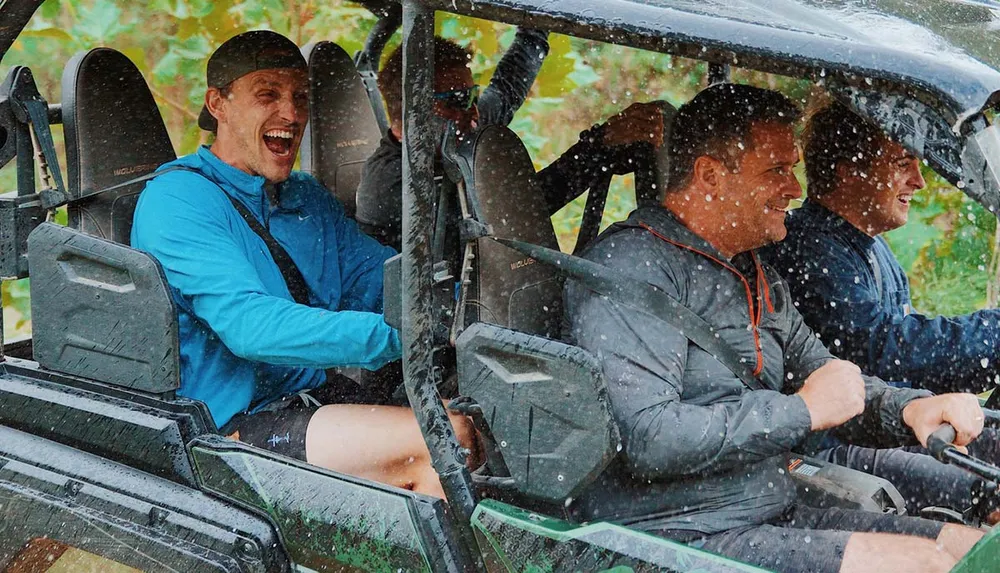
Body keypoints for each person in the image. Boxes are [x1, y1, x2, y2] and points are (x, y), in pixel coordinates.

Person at [563, 83, 986, 573]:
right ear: (710, 176)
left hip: (765, 510)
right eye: (777, 171)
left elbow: (827, 378)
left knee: (969, 549)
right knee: (921, 566)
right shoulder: (633, 268)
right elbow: (648, 438)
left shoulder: (752, 269)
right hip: (671, 534)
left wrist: (910, 407)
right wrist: (801, 412)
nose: (795, 189)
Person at [131, 30, 476, 498]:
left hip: (313, 400)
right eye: (267, 95)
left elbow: (376, 274)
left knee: (476, 416)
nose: (291, 114)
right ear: (219, 104)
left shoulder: (306, 197)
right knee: (443, 441)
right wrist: (403, 334)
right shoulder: (178, 201)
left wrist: (463, 310)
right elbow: (251, 327)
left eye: (300, 97)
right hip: (230, 431)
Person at [761, 100, 1000, 521]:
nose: (919, 181)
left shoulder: (863, 243)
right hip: (833, 450)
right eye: (902, 163)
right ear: (847, 170)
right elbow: (883, 351)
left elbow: (903, 344)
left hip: (889, 421)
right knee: (987, 489)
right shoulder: (812, 248)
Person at [357, 33, 666, 251]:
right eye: (460, 99)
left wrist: (534, 29)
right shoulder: (390, 182)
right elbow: (511, 214)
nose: (474, 110)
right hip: (430, 330)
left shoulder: (457, 126)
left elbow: (506, 89)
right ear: (414, 110)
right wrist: (599, 143)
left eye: (473, 95)